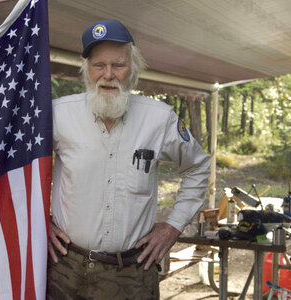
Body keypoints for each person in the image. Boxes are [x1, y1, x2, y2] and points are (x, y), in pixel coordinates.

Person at [47, 19, 211, 299]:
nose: (108, 74)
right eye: (99, 65)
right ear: (86, 69)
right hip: (66, 269)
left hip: (133, 273)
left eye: (118, 65)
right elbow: (20, 172)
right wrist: (39, 220)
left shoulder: (159, 119)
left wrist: (173, 226)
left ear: (132, 69)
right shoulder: (58, 114)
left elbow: (198, 166)